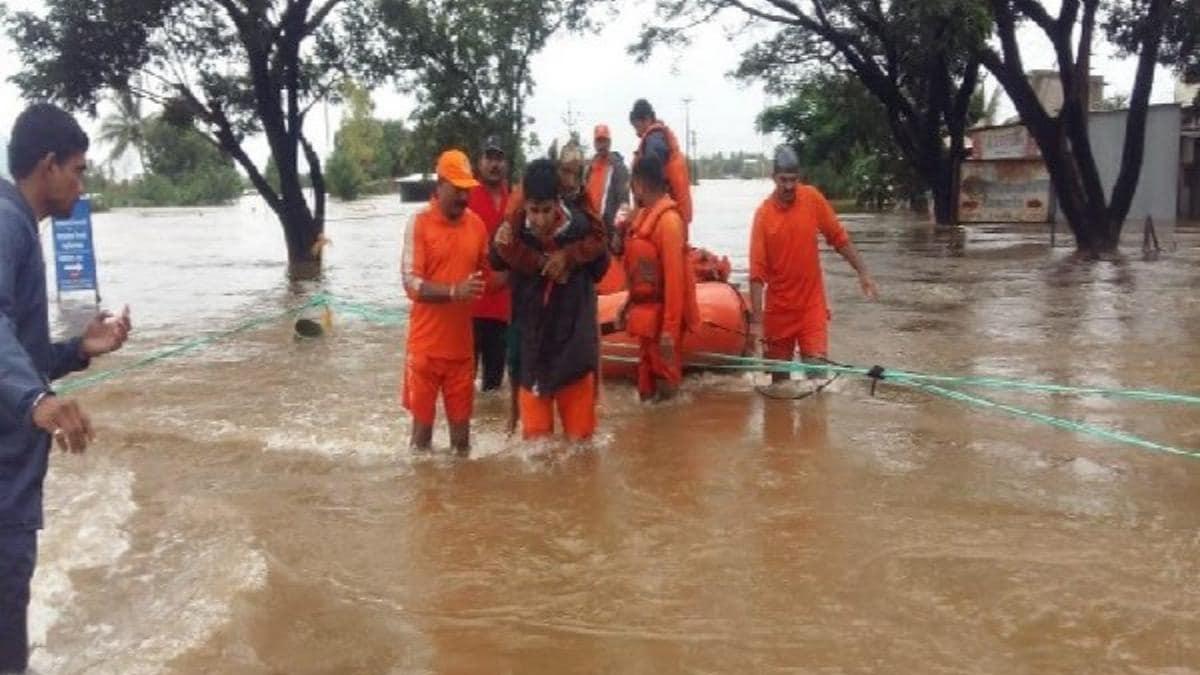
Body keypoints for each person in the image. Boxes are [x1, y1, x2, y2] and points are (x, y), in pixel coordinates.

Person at [1, 103, 133, 673]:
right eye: (77, 170)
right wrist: (37, 400)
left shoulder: (19, 227)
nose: (81, 184)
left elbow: (22, 353)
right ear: (48, 165)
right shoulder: (8, 223)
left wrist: (78, 351)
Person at [491, 159, 609, 441]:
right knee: (535, 450)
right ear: (525, 205)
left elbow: (601, 268)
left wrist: (569, 257)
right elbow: (495, 259)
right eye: (534, 211)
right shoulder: (512, 231)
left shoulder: (583, 228)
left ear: (558, 202)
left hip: (574, 352)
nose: (540, 219)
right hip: (534, 354)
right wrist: (501, 242)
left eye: (547, 210)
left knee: (581, 446)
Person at [749, 145, 879, 385]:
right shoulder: (763, 215)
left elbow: (839, 238)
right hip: (778, 312)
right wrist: (757, 323)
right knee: (779, 385)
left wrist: (863, 271)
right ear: (773, 178)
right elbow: (757, 274)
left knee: (818, 377)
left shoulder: (811, 198)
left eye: (793, 180)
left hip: (811, 307)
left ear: (800, 177)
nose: (789, 186)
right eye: (783, 180)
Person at [401, 149, 494, 455]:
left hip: (461, 352)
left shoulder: (477, 226)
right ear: (439, 185)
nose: (463, 197)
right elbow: (411, 283)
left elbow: (490, 274)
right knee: (421, 440)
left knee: (462, 445)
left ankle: (461, 502)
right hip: (425, 351)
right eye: (457, 190)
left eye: (467, 190)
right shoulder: (419, 223)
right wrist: (454, 291)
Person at [621, 155, 698, 402]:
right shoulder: (644, 216)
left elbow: (675, 283)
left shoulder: (669, 222)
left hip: (664, 320)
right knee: (646, 384)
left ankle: (670, 435)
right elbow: (640, 275)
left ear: (639, 184)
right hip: (646, 317)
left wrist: (668, 332)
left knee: (666, 384)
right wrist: (626, 304)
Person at [466, 136, 511, 392]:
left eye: (499, 158)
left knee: (493, 389)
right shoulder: (467, 197)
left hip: (503, 309)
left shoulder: (515, 199)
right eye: (489, 158)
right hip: (469, 306)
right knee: (463, 383)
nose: (494, 164)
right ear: (479, 162)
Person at [629, 99, 693, 239]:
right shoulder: (659, 137)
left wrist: (639, 203)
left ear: (646, 119)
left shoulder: (654, 140)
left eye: (637, 127)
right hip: (675, 212)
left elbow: (652, 171)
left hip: (668, 214)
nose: (637, 133)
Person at [584, 124, 630, 246]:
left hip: (610, 233)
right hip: (591, 231)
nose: (601, 145)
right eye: (598, 141)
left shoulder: (618, 168)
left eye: (604, 140)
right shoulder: (590, 168)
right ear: (594, 143)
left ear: (609, 142)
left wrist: (618, 232)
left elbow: (624, 204)